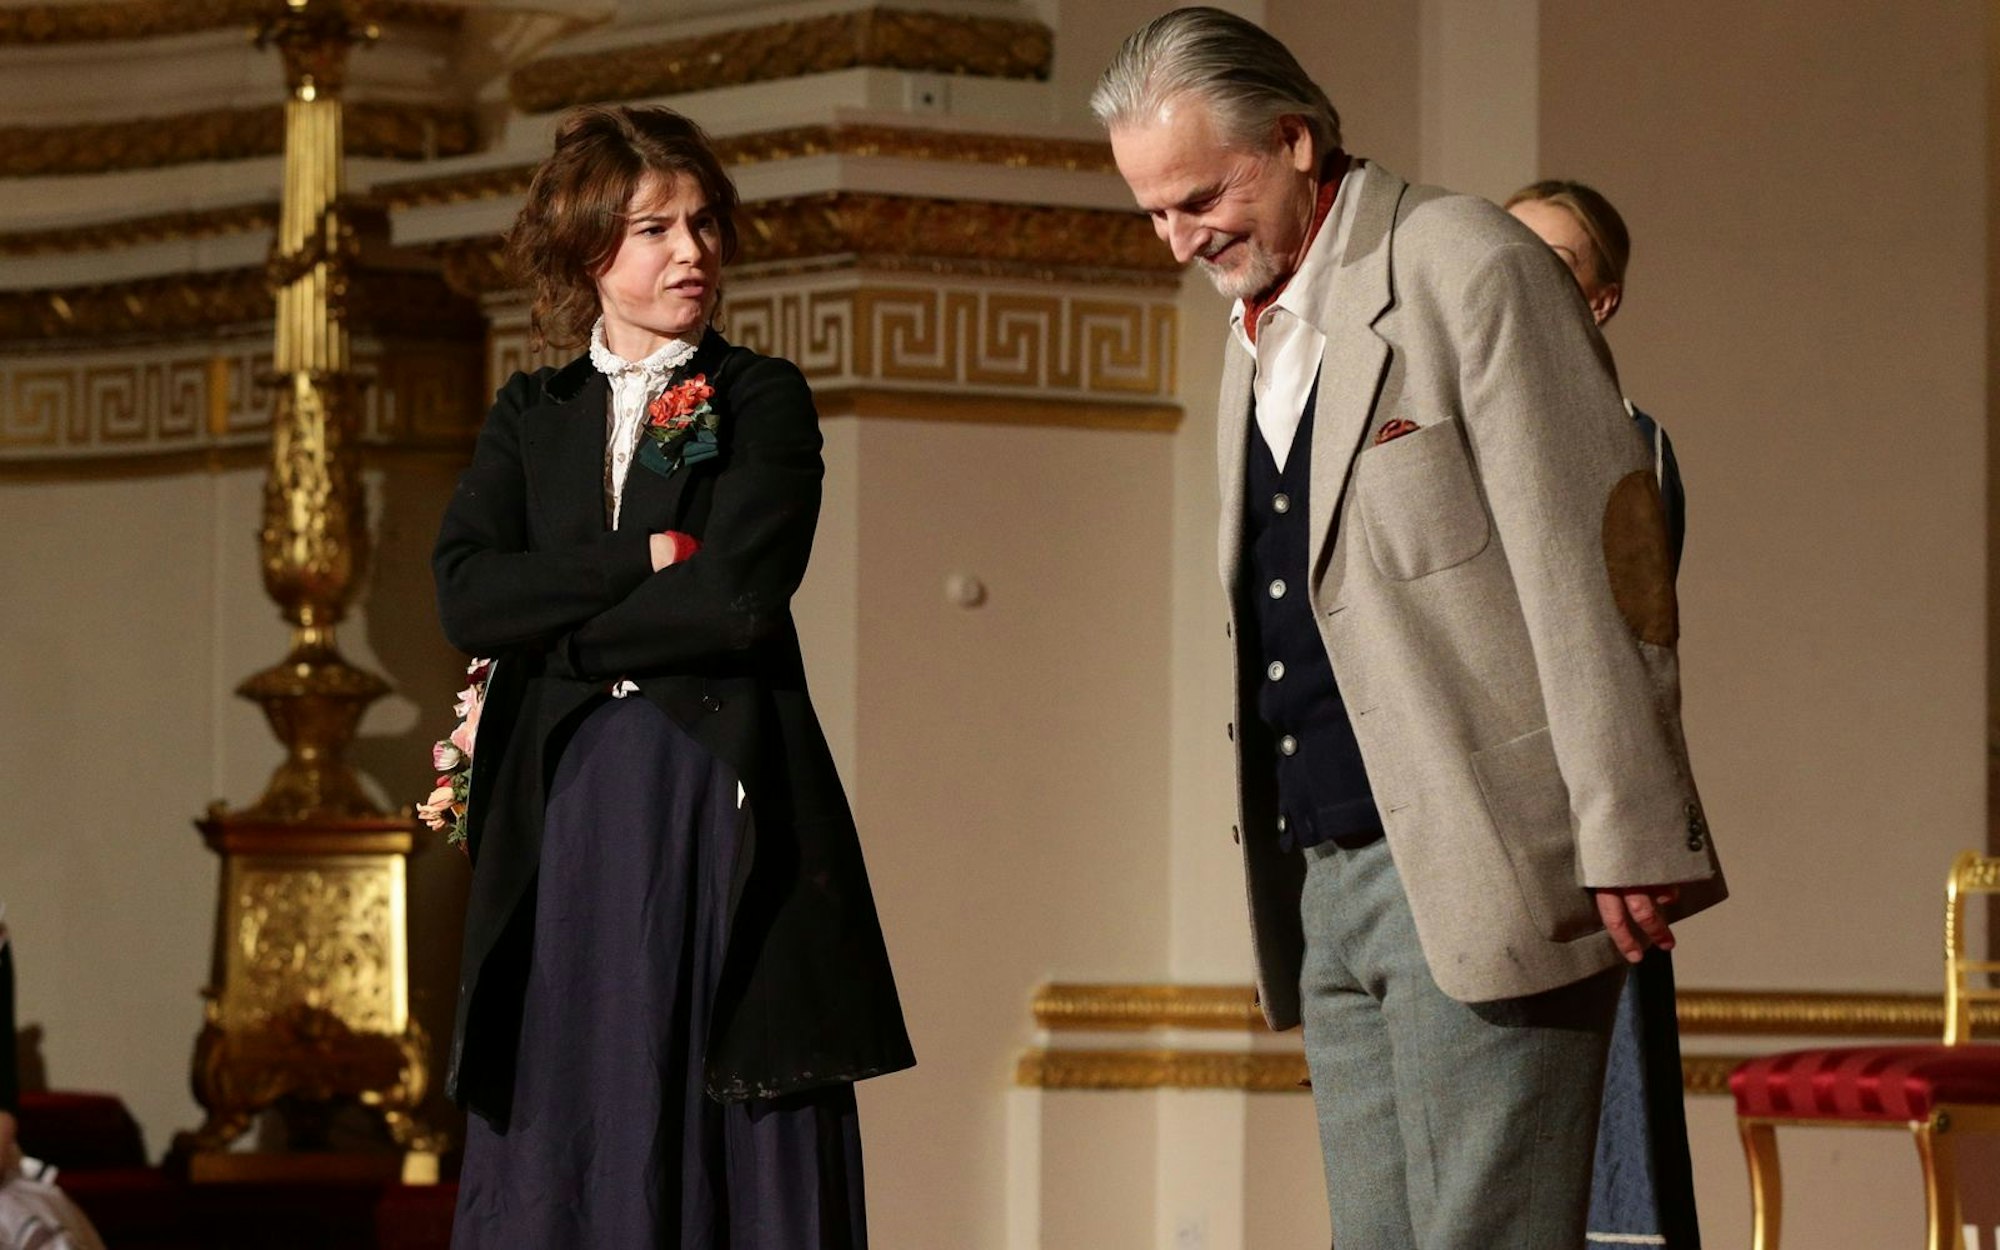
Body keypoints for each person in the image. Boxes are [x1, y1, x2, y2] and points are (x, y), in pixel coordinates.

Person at [1093, 10, 1724, 1246]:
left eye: (1199, 197)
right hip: (1326, 878)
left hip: (1489, 856)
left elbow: (1597, 560)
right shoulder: (1254, 328)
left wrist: (1629, 828)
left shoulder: (1464, 265)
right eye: (1153, 213)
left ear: (1293, 138)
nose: (1178, 240)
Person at [432, 104, 913, 1249]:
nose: (690, 250)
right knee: (575, 1072)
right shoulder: (530, 414)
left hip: (705, 788)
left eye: (701, 222)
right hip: (563, 798)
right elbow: (468, 595)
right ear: (586, 249)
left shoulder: (757, 397)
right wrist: (632, 560)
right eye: (653, 228)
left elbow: (732, 600)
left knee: (703, 1066)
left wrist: (560, 642)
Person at [1508, 178, 1699, 1249]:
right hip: (1459, 842)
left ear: (1599, 299)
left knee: (1596, 1161)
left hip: (1585, 837)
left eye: (1552, 264)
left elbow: (1629, 658)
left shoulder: (1630, 445)